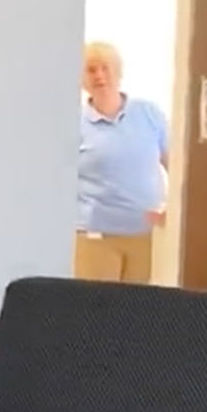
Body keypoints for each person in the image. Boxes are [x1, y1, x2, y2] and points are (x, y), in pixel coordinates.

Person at [75, 42, 169, 283]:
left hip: (147, 236)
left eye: (105, 68)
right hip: (96, 238)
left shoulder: (149, 113)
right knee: (99, 305)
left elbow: (177, 167)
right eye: (91, 70)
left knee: (140, 304)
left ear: (118, 72)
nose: (99, 76)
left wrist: (172, 209)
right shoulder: (76, 124)